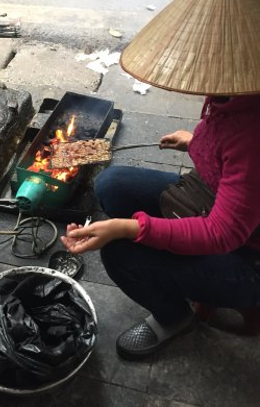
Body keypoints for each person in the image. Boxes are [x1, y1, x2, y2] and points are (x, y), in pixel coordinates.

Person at [61, 94, 260, 360]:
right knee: (111, 185)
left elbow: (221, 232)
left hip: (248, 258)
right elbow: (234, 161)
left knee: (119, 252)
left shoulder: (252, 134)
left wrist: (128, 229)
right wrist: (194, 142)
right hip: (212, 199)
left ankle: (175, 317)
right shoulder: (234, 98)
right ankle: (180, 274)